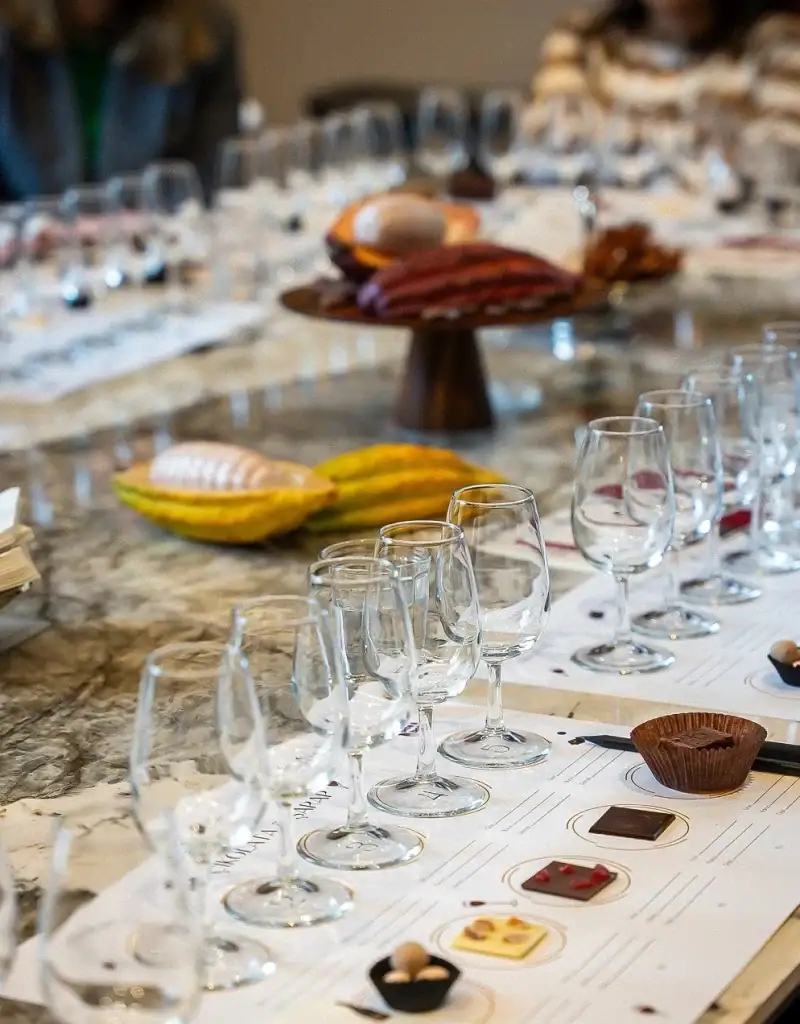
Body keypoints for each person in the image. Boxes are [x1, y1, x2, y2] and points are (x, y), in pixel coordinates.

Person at [523, 0, 800, 189]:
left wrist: (611, 140)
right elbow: (542, 160)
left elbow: (781, 173)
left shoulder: (776, 44)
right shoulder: (579, 39)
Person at [0, 0, 242, 201]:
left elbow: (215, 188)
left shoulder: (206, 32)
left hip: (159, 249)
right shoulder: (8, 32)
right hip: (26, 251)